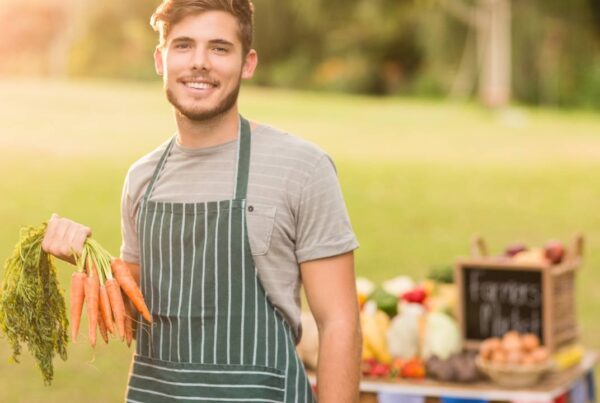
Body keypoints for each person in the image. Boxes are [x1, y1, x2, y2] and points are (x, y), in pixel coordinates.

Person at [41, 0, 361, 401]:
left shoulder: (302, 168)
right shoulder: (143, 179)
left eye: (219, 48)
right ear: (161, 59)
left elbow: (339, 323)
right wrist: (86, 258)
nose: (199, 62)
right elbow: (135, 314)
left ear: (247, 63)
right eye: (184, 45)